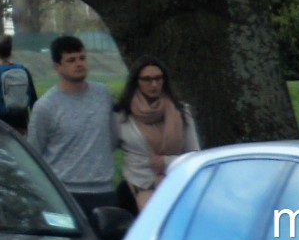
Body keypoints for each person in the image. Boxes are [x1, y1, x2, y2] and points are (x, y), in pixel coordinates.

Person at [26, 35, 118, 219]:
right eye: (71, 60)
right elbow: (34, 153)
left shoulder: (103, 94)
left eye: (82, 58)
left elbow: (113, 139)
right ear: (57, 67)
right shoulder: (46, 107)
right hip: (64, 195)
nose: (79, 64)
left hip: (104, 191)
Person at [114, 57, 200, 211]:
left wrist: (168, 162)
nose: (154, 84)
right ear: (136, 81)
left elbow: (194, 155)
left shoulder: (180, 111)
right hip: (134, 187)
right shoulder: (122, 114)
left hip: (173, 186)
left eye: (158, 79)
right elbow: (108, 147)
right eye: (147, 79)